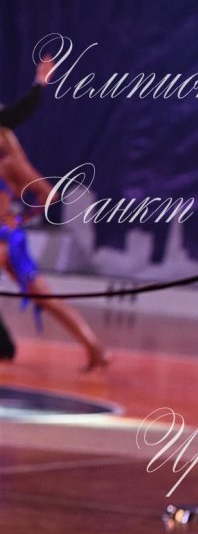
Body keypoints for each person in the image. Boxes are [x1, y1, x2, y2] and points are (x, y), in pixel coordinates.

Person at [0, 120, 110, 372]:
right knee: (45, 297)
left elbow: (48, 194)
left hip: (5, 238)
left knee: (46, 297)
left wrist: (21, 217)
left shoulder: (11, 163)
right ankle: (95, 348)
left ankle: (95, 348)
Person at [0, 57, 51, 360]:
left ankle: (3, 345)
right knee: (42, 293)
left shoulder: (10, 163)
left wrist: (39, 84)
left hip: (6, 233)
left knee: (42, 293)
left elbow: (13, 116)